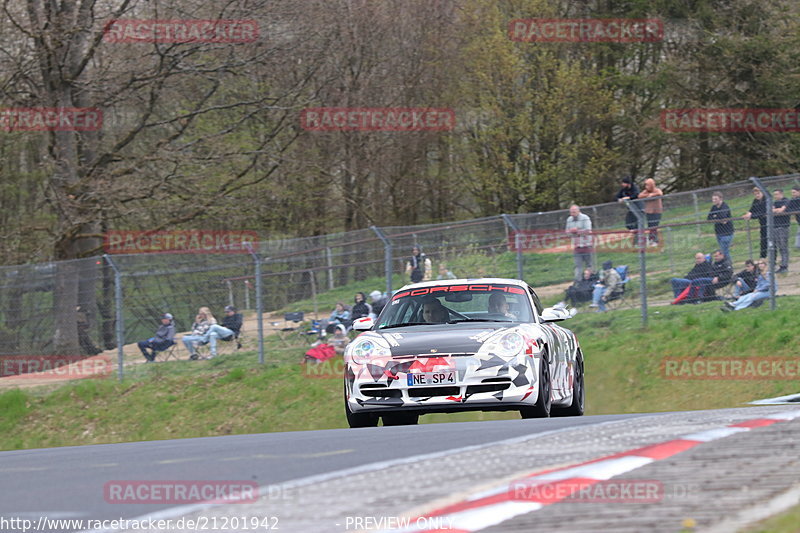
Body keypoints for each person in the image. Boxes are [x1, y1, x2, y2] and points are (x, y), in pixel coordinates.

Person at [565, 204, 593, 280]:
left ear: (578, 211)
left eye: (574, 212)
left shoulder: (585, 218)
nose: (572, 214)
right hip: (577, 246)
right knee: (578, 266)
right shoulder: (569, 219)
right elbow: (567, 232)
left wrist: (576, 231)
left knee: (590, 265)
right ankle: (578, 282)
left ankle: (591, 280)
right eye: (571, 212)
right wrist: (572, 231)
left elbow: (588, 231)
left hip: (587, 245)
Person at [707, 191, 734, 259]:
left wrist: (715, 217)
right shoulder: (714, 207)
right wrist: (717, 218)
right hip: (718, 232)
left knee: (724, 251)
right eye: (713, 199)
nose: (714, 201)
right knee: (723, 251)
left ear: (721, 198)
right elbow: (709, 218)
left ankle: (728, 265)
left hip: (727, 233)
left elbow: (723, 219)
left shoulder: (724, 207)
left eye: (715, 199)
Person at [742, 187, 767, 259]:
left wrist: (751, 216)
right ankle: (762, 258)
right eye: (755, 194)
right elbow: (752, 210)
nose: (757, 195)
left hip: (770, 223)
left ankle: (773, 260)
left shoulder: (766, 199)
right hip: (762, 224)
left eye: (758, 193)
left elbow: (763, 212)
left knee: (772, 242)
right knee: (763, 241)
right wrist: (748, 214)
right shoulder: (755, 201)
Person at [637, 178, 663, 246]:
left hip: (657, 211)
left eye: (648, 185)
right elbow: (639, 196)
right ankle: (651, 239)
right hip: (649, 212)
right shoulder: (646, 192)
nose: (646, 187)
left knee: (655, 226)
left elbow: (660, 193)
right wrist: (647, 195)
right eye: (646, 185)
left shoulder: (657, 190)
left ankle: (654, 240)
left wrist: (652, 195)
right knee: (650, 226)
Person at [772, 189, 790, 273]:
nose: (775, 196)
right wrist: (776, 210)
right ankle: (779, 265)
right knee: (777, 246)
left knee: (783, 247)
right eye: (774, 195)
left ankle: (784, 265)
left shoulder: (786, 200)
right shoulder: (774, 202)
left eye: (777, 194)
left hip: (783, 226)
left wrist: (776, 210)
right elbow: (771, 211)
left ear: (781, 194)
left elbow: (781, 210)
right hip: (775, 227)